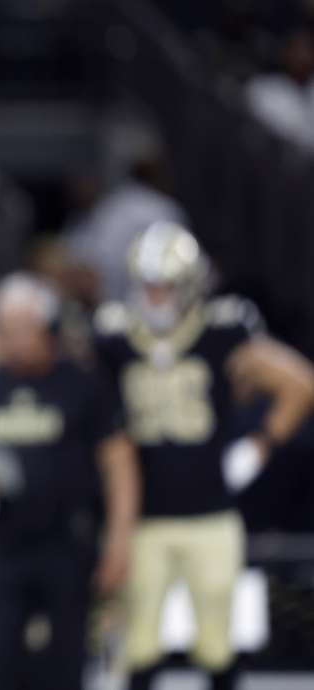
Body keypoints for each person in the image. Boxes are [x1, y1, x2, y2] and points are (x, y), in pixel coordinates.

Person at [93, 222, 314, 690]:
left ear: (189, 285)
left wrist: (259, 445)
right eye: (146, 285)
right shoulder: (115, 336)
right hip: (147, 517)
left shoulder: (222, 330)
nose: (153, 296)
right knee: (139, 644)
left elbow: (300, 384)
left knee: (216, 642)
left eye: (163, 285)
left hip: (211, 512)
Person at [0, 274, 140, 690]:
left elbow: (119, 462)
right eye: (5, 330)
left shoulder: (82, 384)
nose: (13, 340)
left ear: (47, 327)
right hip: (3, 543)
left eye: (23, 329)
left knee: (64, 661)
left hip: (65, 539)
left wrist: (119, 541)